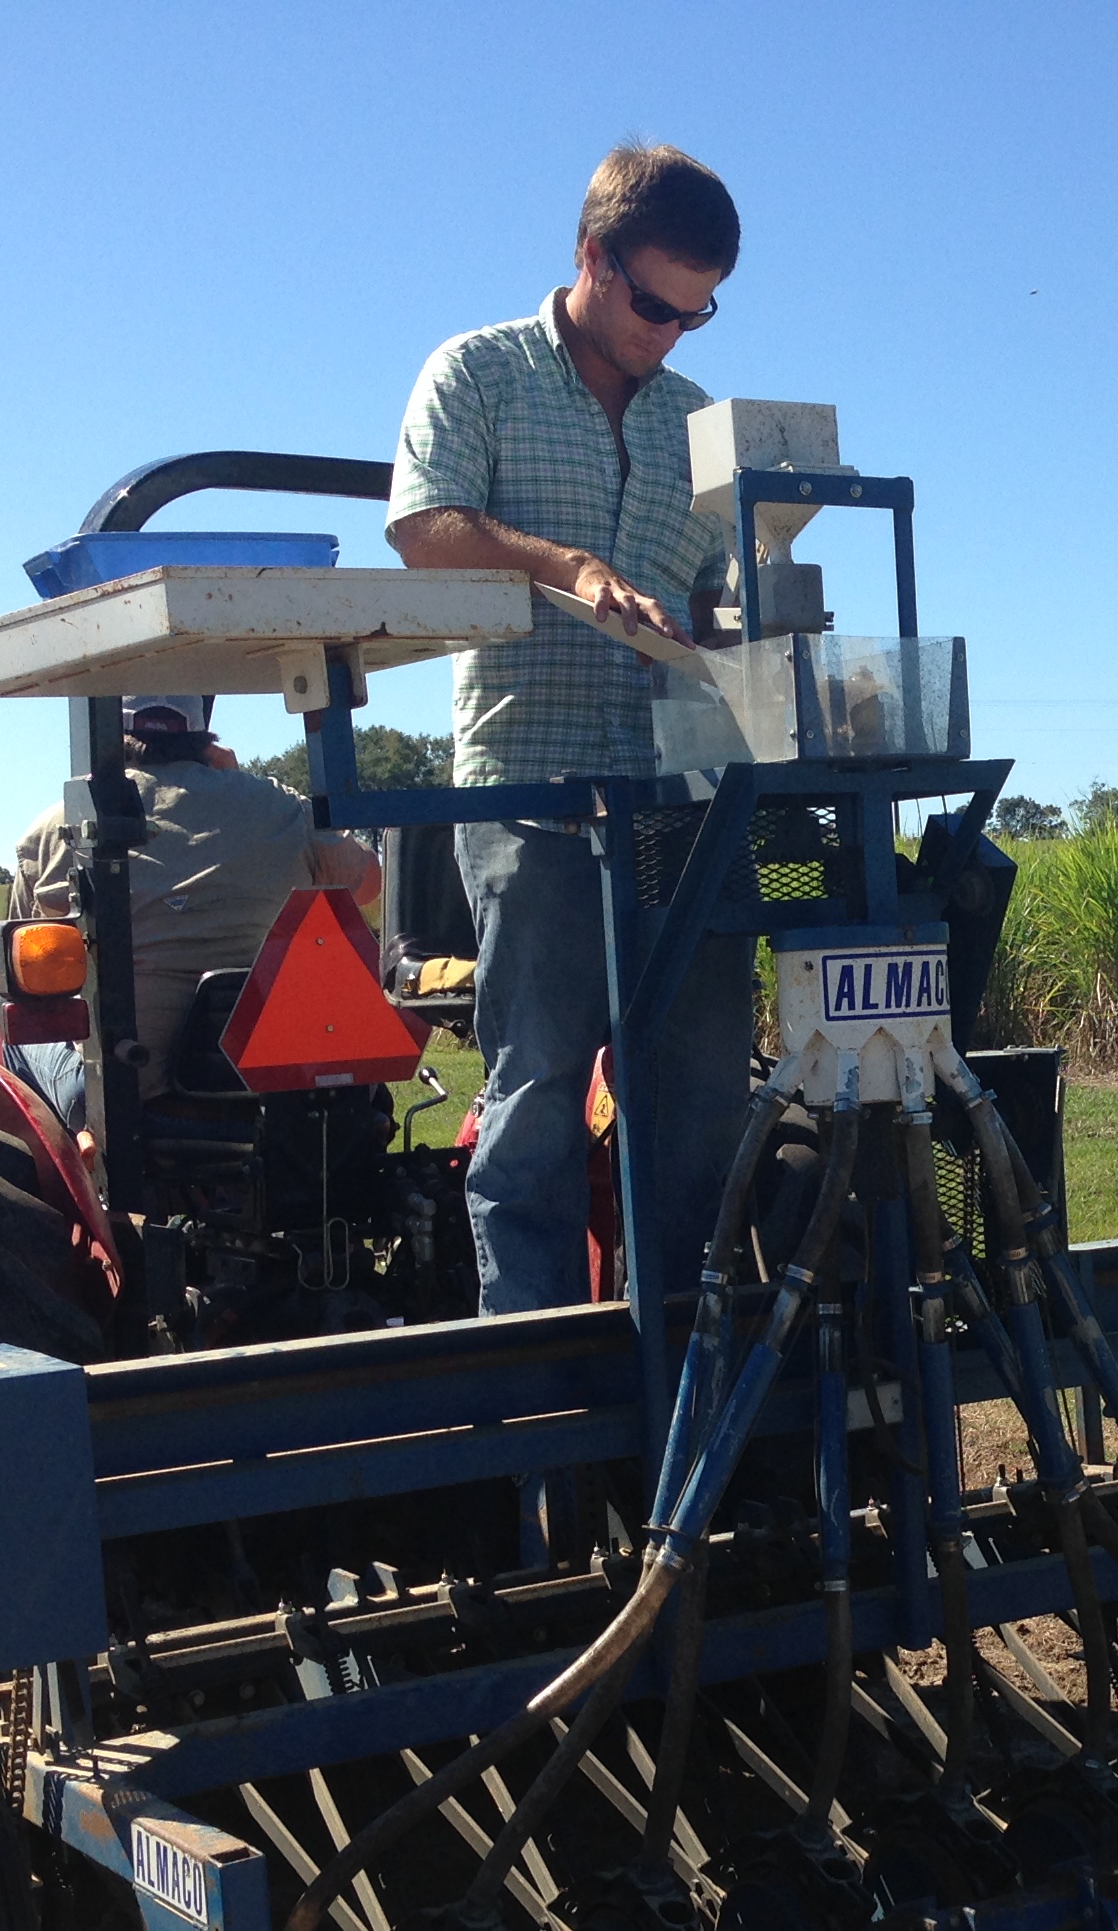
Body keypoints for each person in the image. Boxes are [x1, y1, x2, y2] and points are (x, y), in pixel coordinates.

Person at [387, 142, 758, 1317]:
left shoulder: (700, 422)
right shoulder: (479, 373)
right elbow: (421, 529)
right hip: (529, 790)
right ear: (590, 255)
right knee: (538, 1090)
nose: (670, 333)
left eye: (697, 315)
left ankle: (683, 1370)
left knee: (697, 1097)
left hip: (671, 804)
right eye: (653, 303)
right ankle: (535, 1380)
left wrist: (752, 625)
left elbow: (719, 592)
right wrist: (566, 567)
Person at [7, 694, 382, 1121]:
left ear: (111, 732)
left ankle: (85, 1150)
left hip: (132, 1085)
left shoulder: (55, 828)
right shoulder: (280, 806)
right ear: (203, 733)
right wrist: (235, 783)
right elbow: (369, 883)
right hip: (271, 1074)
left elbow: (22, 967)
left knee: (17, 1037)